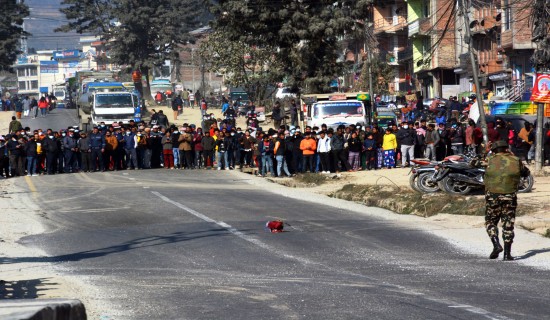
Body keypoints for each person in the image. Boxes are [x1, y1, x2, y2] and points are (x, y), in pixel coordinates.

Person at [484, 140, 524, 261]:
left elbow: (472, 164)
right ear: (507, 149)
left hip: (493, 196)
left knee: (490, 221)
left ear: (493, 150)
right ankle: (507, 254)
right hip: (510, 196)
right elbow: (525, 172)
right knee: (508, 224)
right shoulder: (516, 160)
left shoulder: (489, 160)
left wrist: (485, 152)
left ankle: (496, 245)